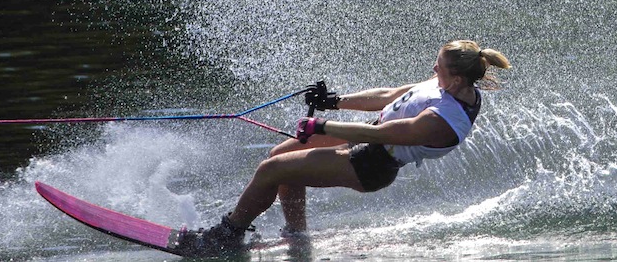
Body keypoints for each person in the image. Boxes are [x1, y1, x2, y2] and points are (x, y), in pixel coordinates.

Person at [172, 40, 512, 255]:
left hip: (372, 163)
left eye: (438, 66)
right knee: (280, 159)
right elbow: (390, 96)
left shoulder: (445, 120)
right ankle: (297, 237)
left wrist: (322, 126)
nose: (432, 68)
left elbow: (384, 134)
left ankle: (226, 236)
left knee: (271, 171)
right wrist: (333, 102)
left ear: (455, 79)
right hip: (367, 141)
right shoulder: (450, 83)